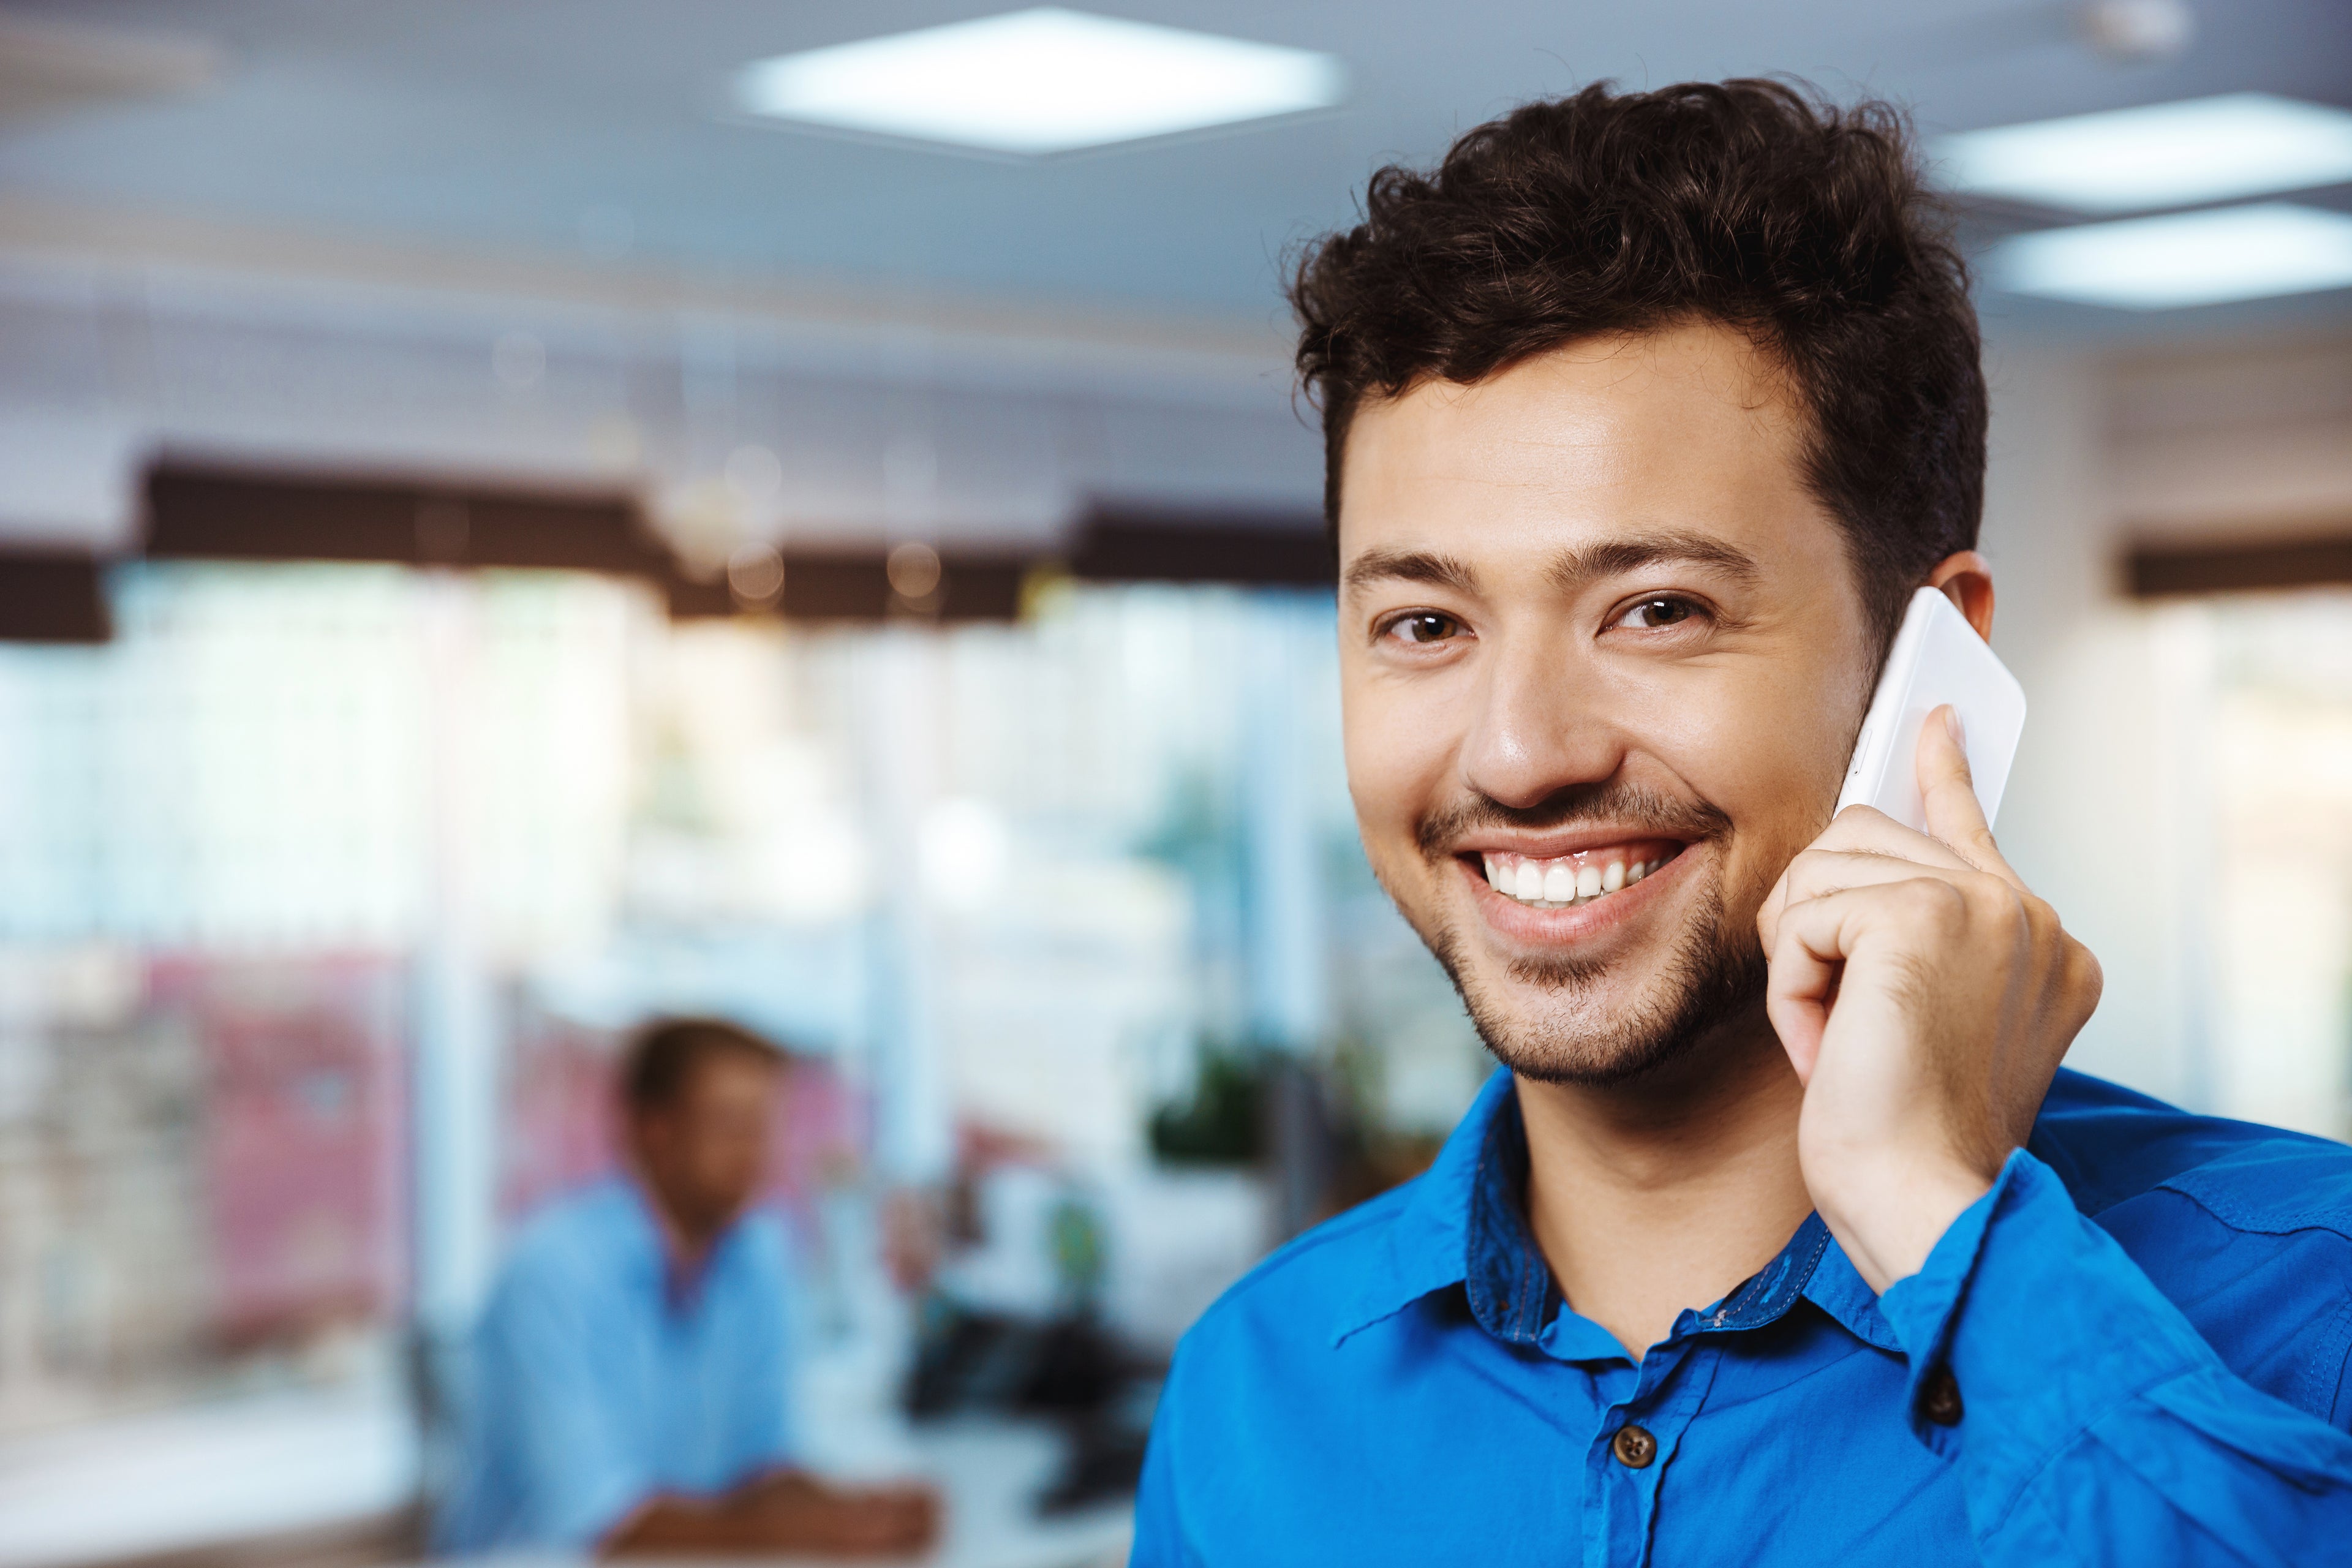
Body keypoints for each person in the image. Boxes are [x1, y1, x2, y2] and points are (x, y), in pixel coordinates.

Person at [1132, 80, 2352, 1565]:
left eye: (1655, 609)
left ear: (1934, 663)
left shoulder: (2312, 1308)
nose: (1518, 753)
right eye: (1422, 620)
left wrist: (1937, 1217)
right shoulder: (1252, 1396)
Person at [436, 1018, 938, 1558]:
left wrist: (852, 1510)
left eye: (763, 1126)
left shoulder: (759, 1253)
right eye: (731, 1124)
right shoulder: (554, 1274)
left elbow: (760, 1469)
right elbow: (602, 1522)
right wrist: (814, 1530)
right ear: (656, 1131)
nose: (754, 1150)